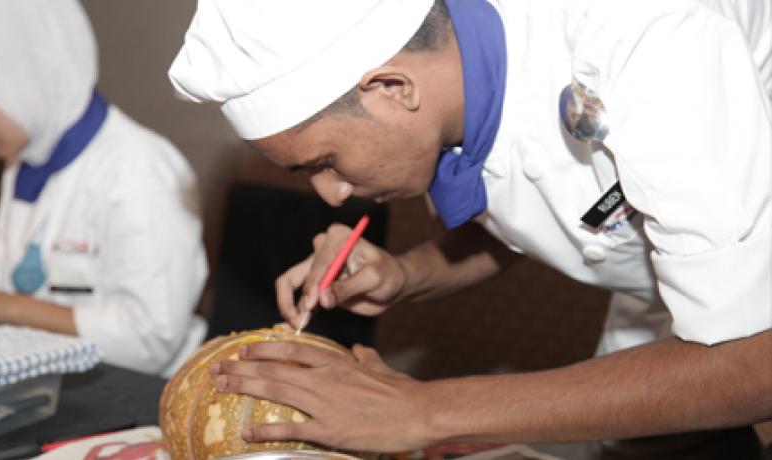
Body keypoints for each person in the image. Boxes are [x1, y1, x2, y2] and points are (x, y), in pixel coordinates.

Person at [168, 0, 771, 455]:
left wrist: (426, 409)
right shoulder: (452, 78)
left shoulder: (654, 45)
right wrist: (406, 273)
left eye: (324, 163)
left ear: (391, 87)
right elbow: (558, 212)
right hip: (665, 329)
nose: (331, 194)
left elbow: (753, 364)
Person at [0, 0, 209, 377]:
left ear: (26, 78)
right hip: (55, 379)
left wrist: (0, 306)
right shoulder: (28, 155)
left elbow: (150, 338)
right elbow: (72, 258)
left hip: (139, 393)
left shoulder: (139, 169)